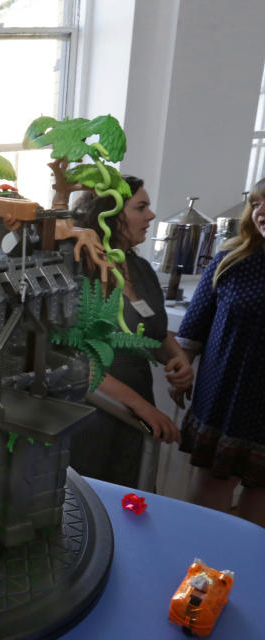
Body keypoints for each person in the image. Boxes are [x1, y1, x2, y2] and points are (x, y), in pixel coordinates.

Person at [66, 176, 193, 489]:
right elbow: (77, 359)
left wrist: (177, 357)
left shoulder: (140, 269)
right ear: (110, 215)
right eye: (141, 207)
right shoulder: (78, 271)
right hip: (93, 413)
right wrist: (142, 407)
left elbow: (156, 334)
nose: (151, 215)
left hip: (135, 411)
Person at [176, 177, 265, 527]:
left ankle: (244, 577)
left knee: (259, 504)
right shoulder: (232, 257)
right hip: (223, 399)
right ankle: (194, 573)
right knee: (209, 494)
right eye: (257, 203)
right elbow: (193, 328)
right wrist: (180, 370)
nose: (261, 212)